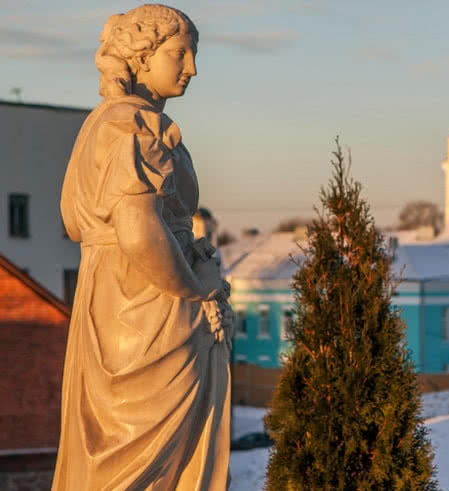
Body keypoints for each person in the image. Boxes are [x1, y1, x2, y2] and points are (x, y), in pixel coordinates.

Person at [54, 5, 232, 489]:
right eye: (180, 54)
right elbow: (138, 231)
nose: (192, 68)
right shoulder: (129, 128)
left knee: (127, 453)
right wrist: (198, 292)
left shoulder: (111, 125)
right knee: (143, 462)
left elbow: (80, 225)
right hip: (148, 309)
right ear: (142, 57)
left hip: (118, 302)